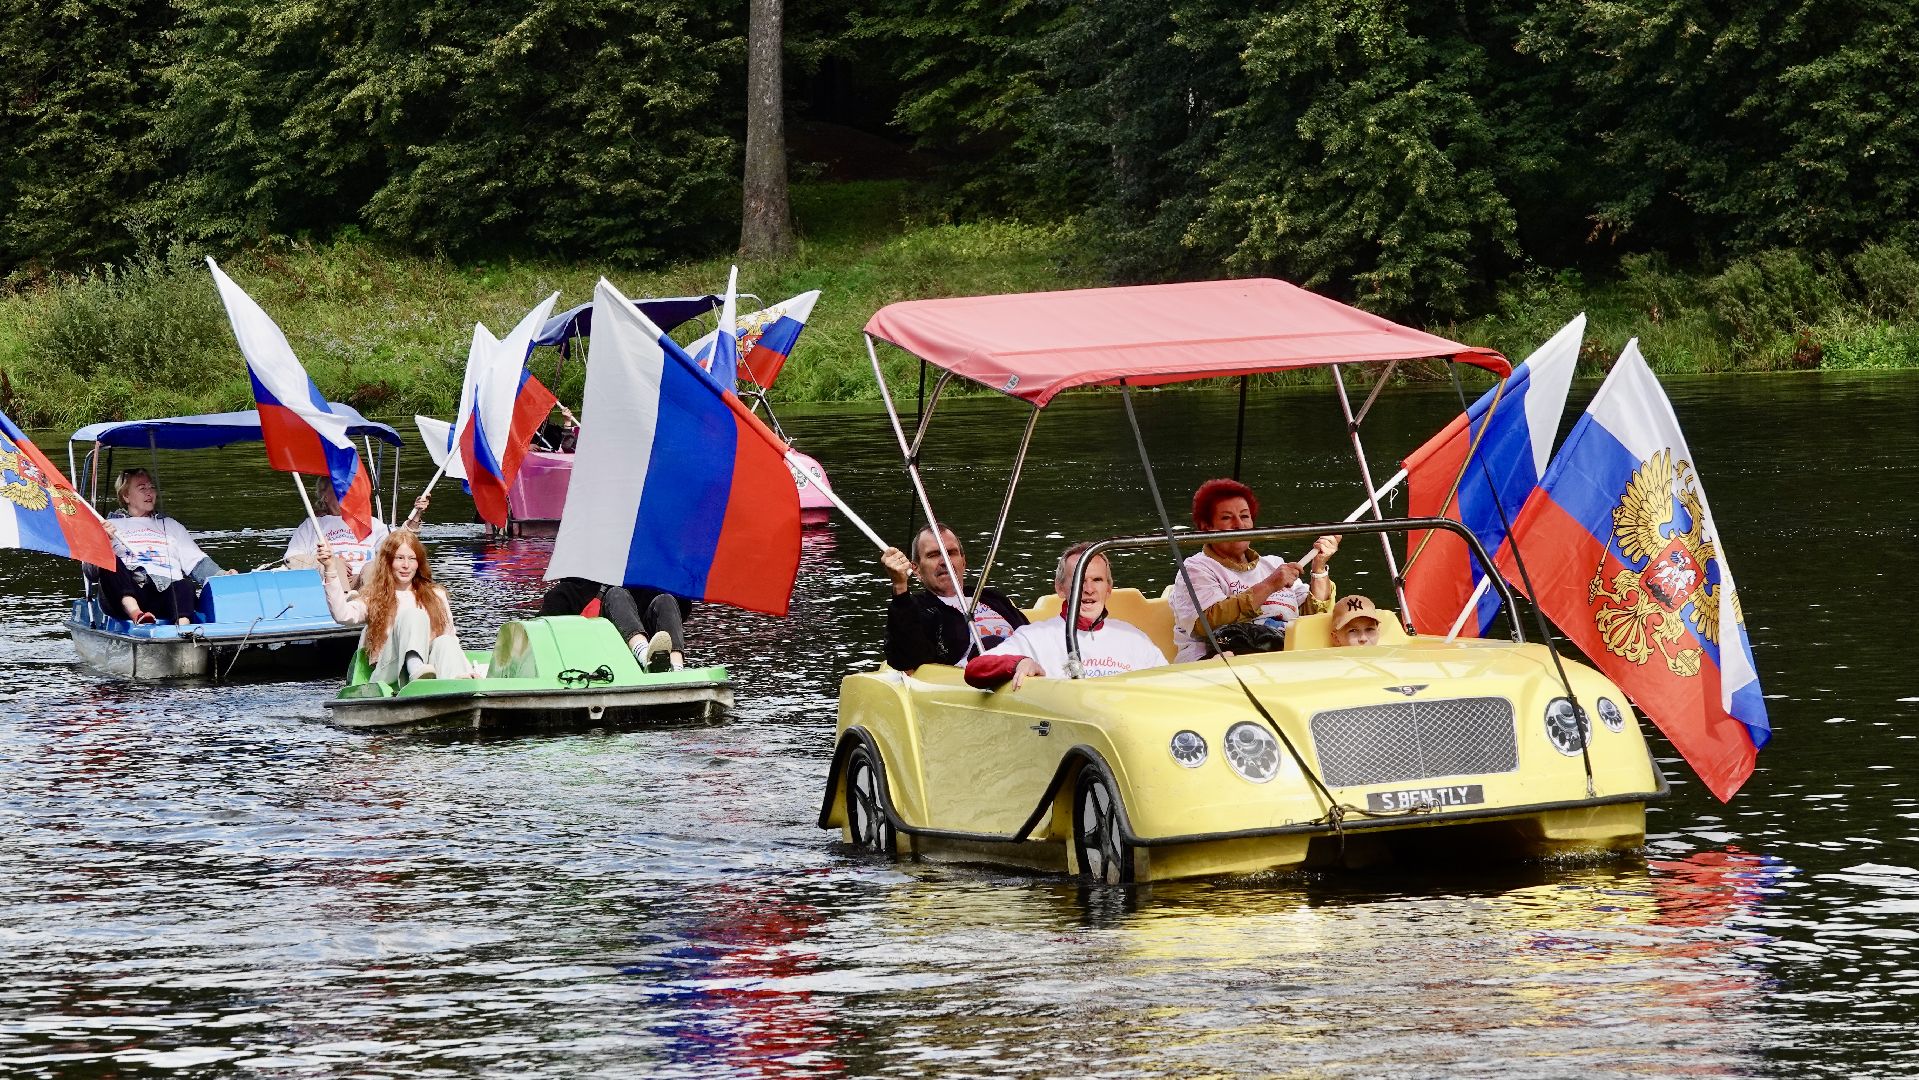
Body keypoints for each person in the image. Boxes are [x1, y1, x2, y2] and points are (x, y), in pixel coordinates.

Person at [1169, 478, 1341, 662]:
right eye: (1227, 518)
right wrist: (1270, 585)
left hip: (1284, 658)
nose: (1239, 524)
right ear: (1207, 527)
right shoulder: (1196, 569)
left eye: (1244, 516)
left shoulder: (1274, 564)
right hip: (1218, 663)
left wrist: (1319, 566)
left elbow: (1313, 615)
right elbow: (1205, 622)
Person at [965, 542, 1167, 689]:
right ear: (1060, 588)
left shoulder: (1134, 638)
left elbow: (1168, 683)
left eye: (1097, 580)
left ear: (1109, 589)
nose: (1088, 589)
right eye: (1079, 579)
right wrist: (1018, 663)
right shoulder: (1033, 637)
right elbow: (975, 669)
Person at [317, 530, 475, 683]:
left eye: (411, 559)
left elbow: (451, 639)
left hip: (429, 667)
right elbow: (342, 615)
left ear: (418, 563)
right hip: (387, 672)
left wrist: (468, 669)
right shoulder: (373, 596)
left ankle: (457, 683)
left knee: (445, 641)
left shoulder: (436, 595)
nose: (406, 565)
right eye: (399, 558)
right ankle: (415, 668)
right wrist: (330, 568)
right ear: (388, 562)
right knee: (413, 616)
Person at [881, 523, 1027, 672]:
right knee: (991, 643)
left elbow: (1030, 633)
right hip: (976, 677)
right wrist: (900, 586)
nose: (945, 562)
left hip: (1031, 664)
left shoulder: (991, 597)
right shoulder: (915, 609)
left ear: (963, 561)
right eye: (933, 555)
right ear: (916, 569)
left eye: (950, 553)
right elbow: (905, 660)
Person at [98, 468, 230, 625]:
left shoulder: (171, 525)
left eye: (151, 487)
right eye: (142, 488)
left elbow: (197, 562)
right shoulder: (109, 525)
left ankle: (184, 629)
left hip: (166, 593)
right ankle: (136, 613)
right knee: (110, 562)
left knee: (184, 585)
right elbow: (91, 571)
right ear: (126, 496)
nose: (149, 493)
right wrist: (101, 541)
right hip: (130, 593)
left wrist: (222, 575)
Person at [286, 484, 430, 585]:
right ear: (325, 496)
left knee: (372, 567)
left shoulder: (371, 523)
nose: (345, 494)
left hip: (365, 581)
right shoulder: (312, 525)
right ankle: (345, 604)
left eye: (349, 491)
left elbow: (401, 544)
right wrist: (326, 561)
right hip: (329, 582)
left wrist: (416, 515)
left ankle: (373, 606)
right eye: (338, 489)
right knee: (335, 564)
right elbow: (292, 558)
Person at [540, 577, 692, 672]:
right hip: (597, 658)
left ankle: (675, 668)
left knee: (666, 600)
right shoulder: (569, 590)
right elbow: (543, 633)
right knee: (616, 594)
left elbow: (681, 610)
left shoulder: (647, 584)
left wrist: (676, 584)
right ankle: (646, 657)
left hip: (649, 657)